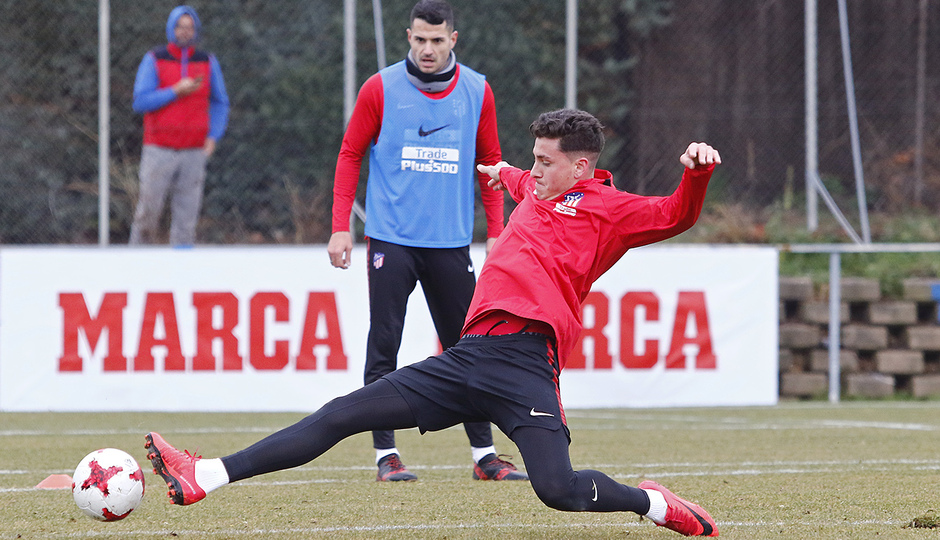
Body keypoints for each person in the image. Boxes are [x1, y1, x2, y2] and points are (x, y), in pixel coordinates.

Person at [146, 109, 722, 537]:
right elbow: (517, 177)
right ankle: (206, 475)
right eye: (534, 158)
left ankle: (652, 504)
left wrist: (695, 174)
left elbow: (675, 213)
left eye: (546, 161)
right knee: (342, 413)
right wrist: (502, 172)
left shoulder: (608, 209)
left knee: (558, 490)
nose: (535, 169)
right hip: (467, 356)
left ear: (583, 166)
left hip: (526, 364)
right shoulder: (534, 188)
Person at [327, 0, 521, 482]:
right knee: (385, 343)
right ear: (408, 37)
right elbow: (351, 154)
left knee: (470, 346)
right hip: (391, 240)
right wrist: (339, 225)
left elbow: (492, 161)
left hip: (451, 243)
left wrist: (497, 230)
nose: (428, 49)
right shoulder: (381, 87)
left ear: (453, 39)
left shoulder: (477, 89)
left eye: (437, 40)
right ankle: (385, 455)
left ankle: (484, 456)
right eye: (419, 40)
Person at [130, 5, 230, 246]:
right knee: (148, 212)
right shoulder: (155, 58)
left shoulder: (207, 61)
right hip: (159, 148)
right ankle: (135, 264)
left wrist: (213, 135)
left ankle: (183, 271)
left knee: (187, 218)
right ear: (170, 29)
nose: (184, 32)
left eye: (189, 27)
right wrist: (175, 91)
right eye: (180, 27)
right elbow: (140, 101)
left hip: (194, 150)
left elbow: (220, 102)